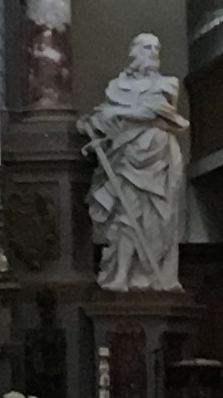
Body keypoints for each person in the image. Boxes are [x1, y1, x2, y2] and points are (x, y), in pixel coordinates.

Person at [81, 30, 189, 292]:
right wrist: (92, 123)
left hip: (158, 160)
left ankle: (153, 275)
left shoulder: (168, 84)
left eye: (156, 48)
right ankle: (121, 276)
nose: (152, 53)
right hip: (126, 157)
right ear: (133, 51)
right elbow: (107, 121)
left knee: (158, 220)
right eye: (146, 47)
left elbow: (154, 111)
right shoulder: (115, 87)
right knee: (126, 216)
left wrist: (116, 112)